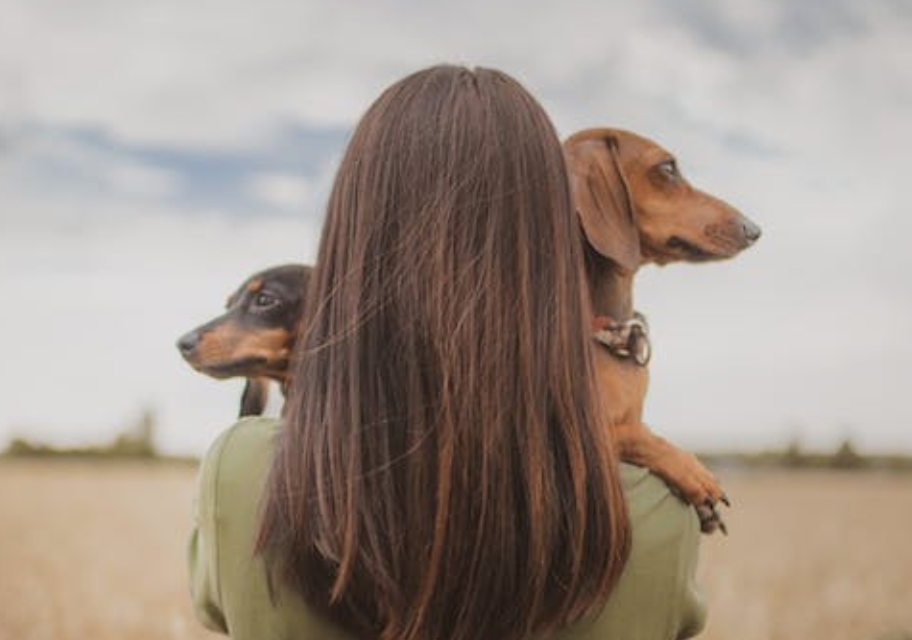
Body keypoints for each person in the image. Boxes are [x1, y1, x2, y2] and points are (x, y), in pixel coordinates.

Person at [188, 65, 706, 640]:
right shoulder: (658, 507)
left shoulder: (242, 472)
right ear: (552, 247)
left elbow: (215, 611)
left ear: (350, 239)